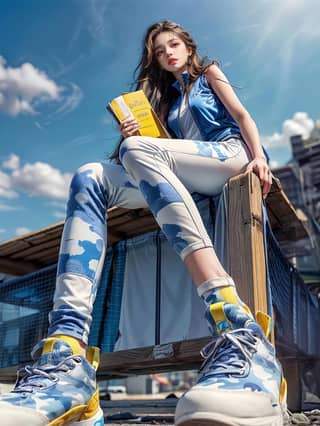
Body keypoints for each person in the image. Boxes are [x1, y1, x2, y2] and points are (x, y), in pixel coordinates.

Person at [0, 20, 287, 426]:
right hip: (185, 170)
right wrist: (137, 134)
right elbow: (160, 153)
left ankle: (235, 323)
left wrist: (257, 155)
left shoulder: (208, 75)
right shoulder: (165, 100)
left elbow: (242, 115)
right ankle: (67, 357)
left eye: (174, 44)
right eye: (158, 50)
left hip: (230, 154)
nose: (168, 53)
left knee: (138, 149)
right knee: (90, 175)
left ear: (188, 47)